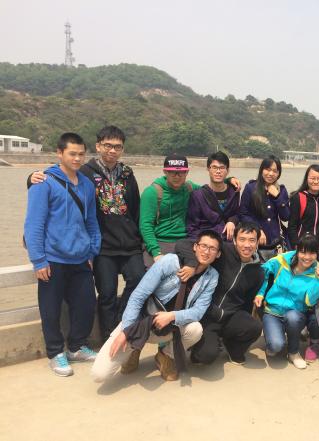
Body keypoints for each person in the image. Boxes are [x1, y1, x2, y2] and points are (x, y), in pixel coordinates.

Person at [29, 126, 145, 342]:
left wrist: (139, 240)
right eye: (108, 145)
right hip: (102, 247)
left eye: (117, 147)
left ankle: (122, 327)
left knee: (138, 282)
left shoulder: (127, 174)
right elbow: (57, 181)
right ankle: (108, 338)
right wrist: (31, 178)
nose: (112, 150)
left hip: (127, 244)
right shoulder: (84, 172)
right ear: (98, 146)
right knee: (107, 293)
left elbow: (135, 208)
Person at [91, 230, 222, 382]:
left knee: (195, 329)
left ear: (218, 254)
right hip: (141, 321)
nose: (206, 252)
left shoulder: (212, 276)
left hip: (169, 325)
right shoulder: (170, 262)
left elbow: (198, 311)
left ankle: (165, 355)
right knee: (99, 374)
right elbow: (138, 296)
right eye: (203, 246)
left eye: (212, 248)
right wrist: (127, 331)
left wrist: (172, 316)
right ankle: (135, 347)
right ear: (195, 247)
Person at [24, 132, 101, 376]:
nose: (77, 158)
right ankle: (55, 352)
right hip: (53, 258)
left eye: (81, 154)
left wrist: (91, 251)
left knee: (86, 304)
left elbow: (92, 222)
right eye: (72, 154)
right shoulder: (43, 182)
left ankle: (76, 347)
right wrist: (38, 259)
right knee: (51, 309)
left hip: (81, 258)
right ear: (59, 153)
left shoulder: (87, 184)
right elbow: (34, 224)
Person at [174, 222, 265, 365]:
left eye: (252, 240)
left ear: (257, 242)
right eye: (242, 239)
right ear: (234, 240)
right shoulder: (223, 251)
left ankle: (232, 347)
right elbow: (181, 245)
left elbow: (247, 303)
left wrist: (242, 329)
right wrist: (191, 264)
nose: (247, 245)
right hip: (206, 314)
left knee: (254, 327)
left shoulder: (258, 272)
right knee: (205, 356)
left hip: (230, 317)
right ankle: (202, 346)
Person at [140, 153, 239, 266]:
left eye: (181, 172)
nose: (177, 176)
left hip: (185, 240)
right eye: (172, 172)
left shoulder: (189, 188)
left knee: (190, 272)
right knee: (157, 271)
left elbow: (211, 189)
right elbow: (145, 225)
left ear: (187, 172)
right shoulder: (152, 192)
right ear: (165, 172)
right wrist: (156, 252)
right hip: (160, 241)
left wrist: (228, 180)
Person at [255, 234, 319, 369]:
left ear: (317, 253)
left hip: (295, 313)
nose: (307, 257)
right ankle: (274, 340)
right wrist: (260, 293)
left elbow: (310, 301)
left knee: (292, 317)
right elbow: (263, 270)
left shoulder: (318, 271)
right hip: (272, 311)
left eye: (312, 253)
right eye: (303, 252)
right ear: (297, 250)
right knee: (276, 346)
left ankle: (293, 352)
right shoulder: (283, 259)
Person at [239, 155, 290, 261]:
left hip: (276, 243)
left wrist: (277, 197)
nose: (271, 174)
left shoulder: (281, 190)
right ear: (261, 170)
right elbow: (243, 214)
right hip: (255, 241)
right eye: (267, 169)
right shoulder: (251, 188)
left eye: (275, 171)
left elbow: (286, 217)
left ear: (279, 173)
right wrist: (257, 229)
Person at [187, 151, 240, 241]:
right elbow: (192, 227)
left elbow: (237, 213)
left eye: (222, 168)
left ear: (227, 170)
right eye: (214, 167)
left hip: (228, 240)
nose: (218, 171)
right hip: (206, 242)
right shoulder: (198, 195)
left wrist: (232, 221)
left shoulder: (234, 191)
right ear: (208, 169)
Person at [287, 164, 319, 264]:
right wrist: (296, 248)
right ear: (307, 179)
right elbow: (292, 226)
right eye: (312, 178)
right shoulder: (298, 197)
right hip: (303, 250)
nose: (316, 181)